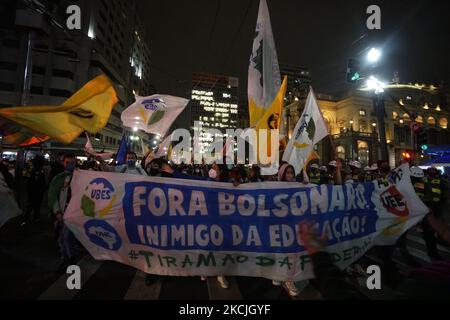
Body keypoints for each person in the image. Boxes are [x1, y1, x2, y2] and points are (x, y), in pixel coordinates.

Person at [274, 163, 302, 297]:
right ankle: (279, 274)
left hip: (293, 224)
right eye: (287, 172)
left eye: (292, 172)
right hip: (279, 224)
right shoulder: (275, 187)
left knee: (292, 253)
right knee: (281, 252)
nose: (290, 175)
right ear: (282, 174)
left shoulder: (297, 185)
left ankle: (289, 280)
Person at [48, 153, 79, 271]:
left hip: (76, 213)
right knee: (62, 237)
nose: (71, 165)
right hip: (63, 212)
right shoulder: (58, 178)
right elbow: (52, 195)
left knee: (66, 236)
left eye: (73, 162)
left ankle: (71, 259)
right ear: (63, 163)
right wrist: (57, 212)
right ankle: (67, 258)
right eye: (68, 163)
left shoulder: (82, 176)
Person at [21, 155, 46, 225]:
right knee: (36, 205)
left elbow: (29, 182)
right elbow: (41, 183)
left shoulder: (33, 170)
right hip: (37, 191)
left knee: (31, 205)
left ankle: (27, 218)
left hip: (33, 191)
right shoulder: (39, 171)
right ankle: (34, 218)